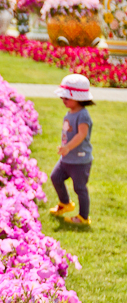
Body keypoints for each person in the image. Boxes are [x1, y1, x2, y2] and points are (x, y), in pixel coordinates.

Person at [49, 73, 94, 226]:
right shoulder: (71, 112)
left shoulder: (83, 115)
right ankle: (65, 203)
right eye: (63, 98)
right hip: (67, 158)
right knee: (55, 177)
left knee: (80, 188)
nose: (64, 100)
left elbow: (82, 134)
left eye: (67, 98)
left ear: (80, 98)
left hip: (80, 160)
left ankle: (83, 217)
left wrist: (68, 147)